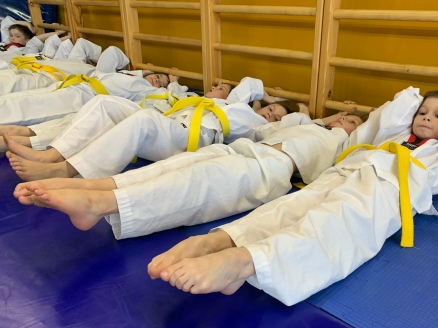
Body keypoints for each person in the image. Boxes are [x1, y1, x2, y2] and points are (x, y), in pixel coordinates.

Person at [137, 87, 438, 306]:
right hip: (346, 170)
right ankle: (217, 242)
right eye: (422, 112)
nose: (426, 118)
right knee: (287, 208)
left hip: (387, 189)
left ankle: (245, 262)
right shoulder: (391, 137)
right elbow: (387, 118)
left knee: (332, 223)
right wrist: (413, 99)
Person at [11, 106, 365, 240]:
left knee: (193, 185)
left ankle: (99, 205)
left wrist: (351, 127)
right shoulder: (305, 126)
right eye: (344, 117)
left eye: (352, 121)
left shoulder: (346, 145)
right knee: (170, 168)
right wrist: (320, 116)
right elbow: (273, 124)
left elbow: (379, 126)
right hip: (243, 149)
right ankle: (90, 186)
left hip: (272, 170)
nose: (345, 121)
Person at [4, 83, 300, 180]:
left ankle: (66, 170)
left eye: (275, 116)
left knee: (144, 119)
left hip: (189, 139)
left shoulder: (256, 128)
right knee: (105, 102)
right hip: (171, 125)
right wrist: (268, 98)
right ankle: (53, 154)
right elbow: (250, 83)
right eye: (271, 109)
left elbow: (296, 122)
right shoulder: (236, 103)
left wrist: (293, 111)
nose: (269, 114)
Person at [0, 45, 179, 127]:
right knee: (21, 98)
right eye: (157, 76)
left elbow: (171, 97)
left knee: (29, 108)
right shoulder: (125, 74)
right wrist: (136, 70)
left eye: (161, 83)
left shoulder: (146, 91)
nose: (157, 80)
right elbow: (113, 52)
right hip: (73, 85)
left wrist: (174, 82)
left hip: (85, 98)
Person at [0, 37, 101, 96]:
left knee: (79, 43)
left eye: (17, 36)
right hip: (45, 73)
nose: (13, 38)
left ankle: (96, 64)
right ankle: (98, 67)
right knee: (79, 47)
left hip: (39, 67)